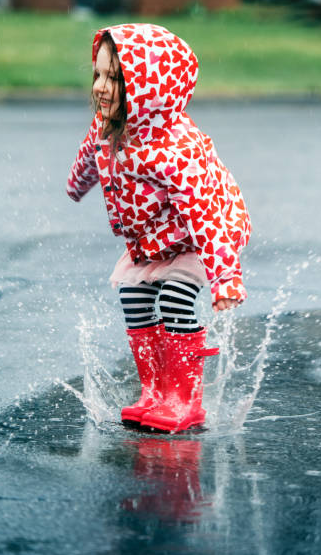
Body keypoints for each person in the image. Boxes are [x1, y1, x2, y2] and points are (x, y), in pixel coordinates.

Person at [67, 23, 251, 433]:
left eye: (114, 78)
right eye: (97, 74)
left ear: (148, 87)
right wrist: (76, 184)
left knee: (173, 300)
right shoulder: (108, 127)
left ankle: (185, 400)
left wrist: (225, 278)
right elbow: (90, 155)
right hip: (154, 239)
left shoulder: (175, 151)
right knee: (133, 297)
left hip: (202, 237)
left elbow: (207, 215)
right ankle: (154, 391)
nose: (99, 86)